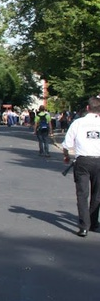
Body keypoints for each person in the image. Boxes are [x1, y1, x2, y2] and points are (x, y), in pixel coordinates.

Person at [61, 96, 100, 237]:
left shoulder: (78, 123)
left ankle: (84, 226)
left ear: (87, 108)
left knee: (82, 194)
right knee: (97, 194)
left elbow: (67, 144)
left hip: (83, 161)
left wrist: (66, 155)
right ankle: (94, 223)